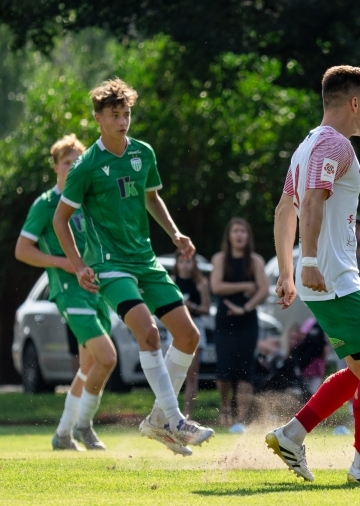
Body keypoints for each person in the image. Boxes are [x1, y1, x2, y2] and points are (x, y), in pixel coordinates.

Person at [53, 79, 214, 456]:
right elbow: (61, 220)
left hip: (145, 260)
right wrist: (78, 266)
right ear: (98, 119)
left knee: (189, 336)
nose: (123, 121)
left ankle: (160, 420)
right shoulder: (87, 166)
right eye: (115, 115)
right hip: (109, 266)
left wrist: (175, 233)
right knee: (150, 334)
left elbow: (151, 197)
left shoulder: (143, 152)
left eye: (126, 114)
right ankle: (173, 418)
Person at [266, 65, 360, 485]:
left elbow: (282, 211)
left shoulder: (306, 145)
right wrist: (306, 264)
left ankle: (291, 434)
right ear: (354, 102)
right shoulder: (335, 143)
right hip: (335, 279)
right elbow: (309, 203)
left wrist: (289, 273)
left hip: (321, 281)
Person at [15, 134, 116, 451]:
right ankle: (85, 426)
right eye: (67, 162)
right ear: (56, 166)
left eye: (77, 161)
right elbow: (22, 250)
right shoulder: (46, 204)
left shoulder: (87, 199)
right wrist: (64, 262)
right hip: (68, 292)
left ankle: (63, 433)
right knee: (107, 357)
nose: (73, 167)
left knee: (89, 368)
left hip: (96, 291)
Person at [210, 217, 270, 433]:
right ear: (229, 235)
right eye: (235, 231)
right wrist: (246, 285)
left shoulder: (255, 261)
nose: (239, 235)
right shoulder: (219, 259)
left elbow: (263, 290)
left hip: (247, 321)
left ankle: (241, 418)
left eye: (243, 231)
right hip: (224, 321)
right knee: (225, 368)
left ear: (248, 236)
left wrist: (244, 308)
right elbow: (216, 286)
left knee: (245, 369)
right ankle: (225, 409)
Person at [171, 250, 211, 420]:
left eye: (188, 261)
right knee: (171, 372)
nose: (185, 265)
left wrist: (190, 306)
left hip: (195, 326)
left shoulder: (201, 283)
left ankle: (187, 414)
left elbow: (206, 309)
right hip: (174, 327)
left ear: (194, 263)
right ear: (177, 263)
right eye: (182, 261)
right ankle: (170, 412)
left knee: (191, 374)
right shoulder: (171, 281)